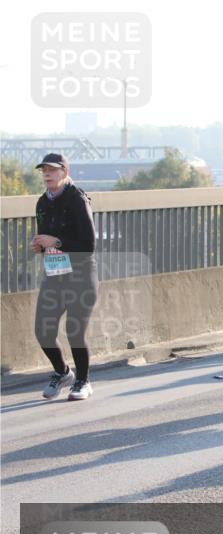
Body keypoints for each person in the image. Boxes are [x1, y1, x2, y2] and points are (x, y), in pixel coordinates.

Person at [32, 153, 98, 401]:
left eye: (52, 170)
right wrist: (40, 246)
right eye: (43, 170)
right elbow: (46, 239)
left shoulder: (77, 199)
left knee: (75, 330)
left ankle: (83, 381)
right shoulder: (41, 202)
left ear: (64, 172)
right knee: (43, 330)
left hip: (81, 275)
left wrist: (56, 241)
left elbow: (88, 244)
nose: (47, 174)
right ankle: (63, 372)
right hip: (55, 274)